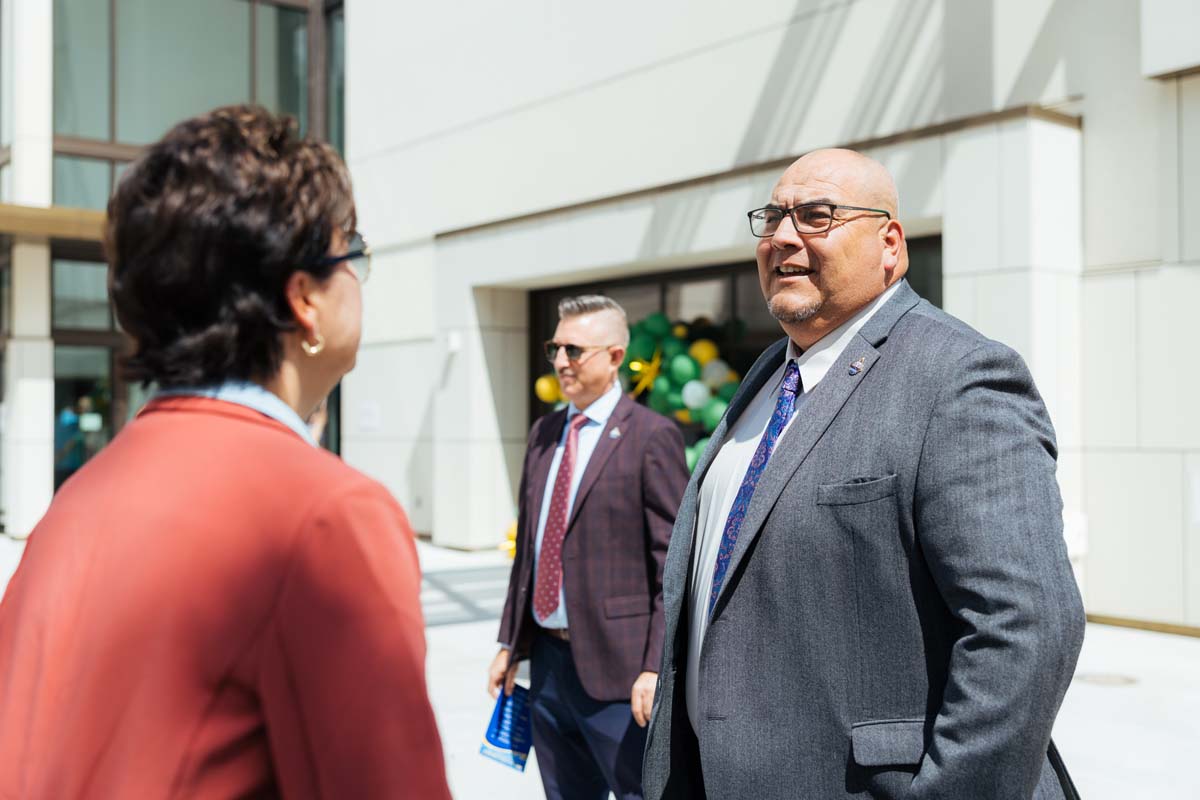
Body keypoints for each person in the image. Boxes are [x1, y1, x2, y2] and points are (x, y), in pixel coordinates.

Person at [0, 106, 451, 799]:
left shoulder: (76, 504)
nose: (359, 277)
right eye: (351, 253)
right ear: (303, 299)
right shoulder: (326, 516)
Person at [642, 149, 1085, 800]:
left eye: (817, 215)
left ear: (891, 245)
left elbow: (1025, 631)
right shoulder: (769, 375)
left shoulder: (960, 378)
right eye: (773, 218)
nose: (784, 236)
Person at [489, 295, 689, 800]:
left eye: (574, 350)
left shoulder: (651, 437)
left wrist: (654, 667)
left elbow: (673, 563)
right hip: (549, 667)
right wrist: (510, 644)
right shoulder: (544, 433)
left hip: (620, 673)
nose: (560, 362)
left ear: (615, 356)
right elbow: (530, 549)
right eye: (555, 348)